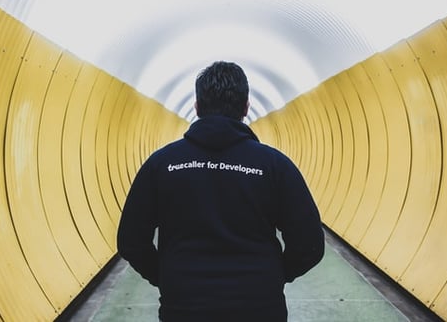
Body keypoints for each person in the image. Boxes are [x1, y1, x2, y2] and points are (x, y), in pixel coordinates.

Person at [117, 61, 324, 322]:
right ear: (246, 107)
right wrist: (272, 276)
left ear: (197, 106)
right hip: (260, 308)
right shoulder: (275, 166)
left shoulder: (162, 164)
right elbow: (310, 244)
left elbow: (131, 240)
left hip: (183, 308)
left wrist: (167, 277)